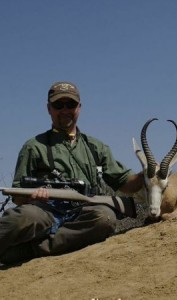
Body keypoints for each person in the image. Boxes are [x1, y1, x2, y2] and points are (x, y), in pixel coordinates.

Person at [0, 81, 144, 265]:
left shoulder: (96, 147)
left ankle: (32, 251)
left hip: (83, 211)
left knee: (104, 218)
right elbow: (18, 195)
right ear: (49, 109)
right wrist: (34, 197)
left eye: (71, 104)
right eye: (58, 105)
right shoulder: (34, 146)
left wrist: (145, 174)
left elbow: (125, 182)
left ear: (79, 108)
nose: (65, 110)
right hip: (44, 210)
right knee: (24, 218)